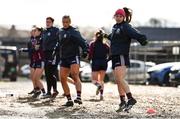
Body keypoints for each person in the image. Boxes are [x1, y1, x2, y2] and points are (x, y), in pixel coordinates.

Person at [107, 7, 148, 111]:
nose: (118, 17)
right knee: (117, 80)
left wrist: (142, 39)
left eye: (121, 16)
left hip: (122, 55)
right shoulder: (115, 27)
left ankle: (130, 99)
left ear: (123, 17)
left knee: (120, 79)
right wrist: (105, 36)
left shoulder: (125, 26)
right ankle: (122, 102)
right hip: (115, 56)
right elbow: (113, 37)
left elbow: (135, 33)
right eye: (117, 16)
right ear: (114, 16)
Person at [59, 15, 88, 106]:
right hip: (64, 57)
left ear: (70, 22)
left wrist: (85, 50)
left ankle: (78, 97)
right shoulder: (60, 31)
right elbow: (58, 43)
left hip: (73, 56)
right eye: (63, 22)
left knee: (75, 75)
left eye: (67, 22)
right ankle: (69, 100)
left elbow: (83, 42)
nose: (65, 24)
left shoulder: (74, 31)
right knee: (62, 78)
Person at [19, 26, 46, 98]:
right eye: (34, 31)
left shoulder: (41, 39)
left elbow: (34, 49)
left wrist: (29, 49)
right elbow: (32, 49)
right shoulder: (35, 39)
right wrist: (27, 49)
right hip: (35, 61)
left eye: (35, 31)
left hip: (41, 61)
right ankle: (37, 90)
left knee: (36, 78)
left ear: (39, 32)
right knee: (33, 78)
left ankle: (44, 92)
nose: (33, 32)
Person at [41, 17, 60, 99]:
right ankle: (49, 92)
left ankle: (55, 90)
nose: (47, 23)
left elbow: (59, 41)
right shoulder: (44, 31)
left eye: (49, 22)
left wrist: (55, 51)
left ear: (52, 22)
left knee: (51, 73)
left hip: (53, 54)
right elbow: (42, 41)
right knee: (47, 73)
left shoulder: (56, 30)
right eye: (46, 22)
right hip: (45, 54)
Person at [88, 29, 110, 100]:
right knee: (101, 80)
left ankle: (98, 86)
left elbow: (90, 54)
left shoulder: (92, 44)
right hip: (104, 63)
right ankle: (101, 95)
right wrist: (107, 60)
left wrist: (89, 59)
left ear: (95, 36)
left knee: (94, 80)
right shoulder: (106, 45)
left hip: (95, 62)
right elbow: (110, 53)